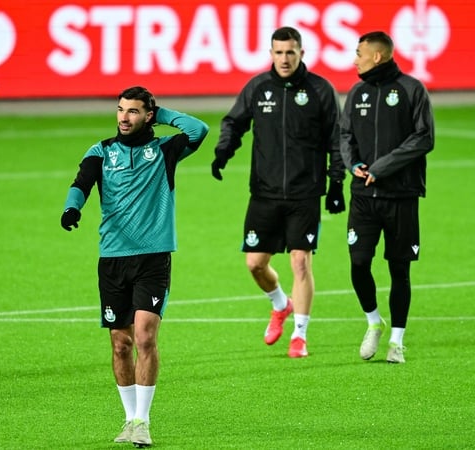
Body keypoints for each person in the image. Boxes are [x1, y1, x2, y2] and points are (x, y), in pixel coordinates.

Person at [60, 86, 209, 447]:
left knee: (145, 336)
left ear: (148, 116)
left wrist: (163, 113)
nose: (124, 117)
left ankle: (143, 420)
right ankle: (129, 419)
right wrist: (72, 207)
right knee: (121, 344)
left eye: (133, 111)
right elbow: (82, 182)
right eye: (120, 109)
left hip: (153, 258)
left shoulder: (164, 151)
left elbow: (199, 129)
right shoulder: (101, 151)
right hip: (112, 258)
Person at [210, 26, 345, 358]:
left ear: (301, 53)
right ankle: (280, 304)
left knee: (300, 261)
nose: (284, 59)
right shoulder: (258, 88)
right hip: (265, 192)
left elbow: (337, 138)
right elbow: (234, 122)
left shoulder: (320, 90)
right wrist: (224, 151)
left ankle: (300, 335)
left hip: (305, 192)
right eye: (279, 52)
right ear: (271, 54)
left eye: (290, 52)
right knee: (255, 264)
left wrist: (337, 183)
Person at [339, 31, 435, 364]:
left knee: (399, 270)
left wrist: (382, 167)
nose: (355, 59)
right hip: (363, 196)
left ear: (377, 56)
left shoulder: (411, 89)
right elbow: (345, 135)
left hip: (401, 195)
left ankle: (397, 340)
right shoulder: (357, 92)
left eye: (359, 53)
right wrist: (353, 164)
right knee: (358, 263)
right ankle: (373, 321)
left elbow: (424, 138)